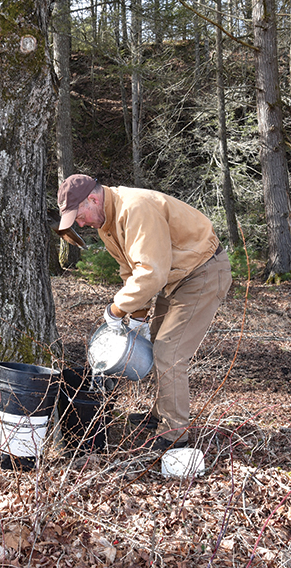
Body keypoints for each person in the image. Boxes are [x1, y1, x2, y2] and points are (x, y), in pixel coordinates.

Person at [57, 174, 232, 451]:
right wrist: (137, 318)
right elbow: (131, 272)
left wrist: (115, 310)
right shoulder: (107, 224)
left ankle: (174, 436)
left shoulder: (135, 208)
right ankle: (160, 415)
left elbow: (151, 274)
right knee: (156, 339)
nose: (80, 224)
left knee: (169, 352)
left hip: (203, 271)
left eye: (78, 216)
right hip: (175, 276)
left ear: (92, 199)